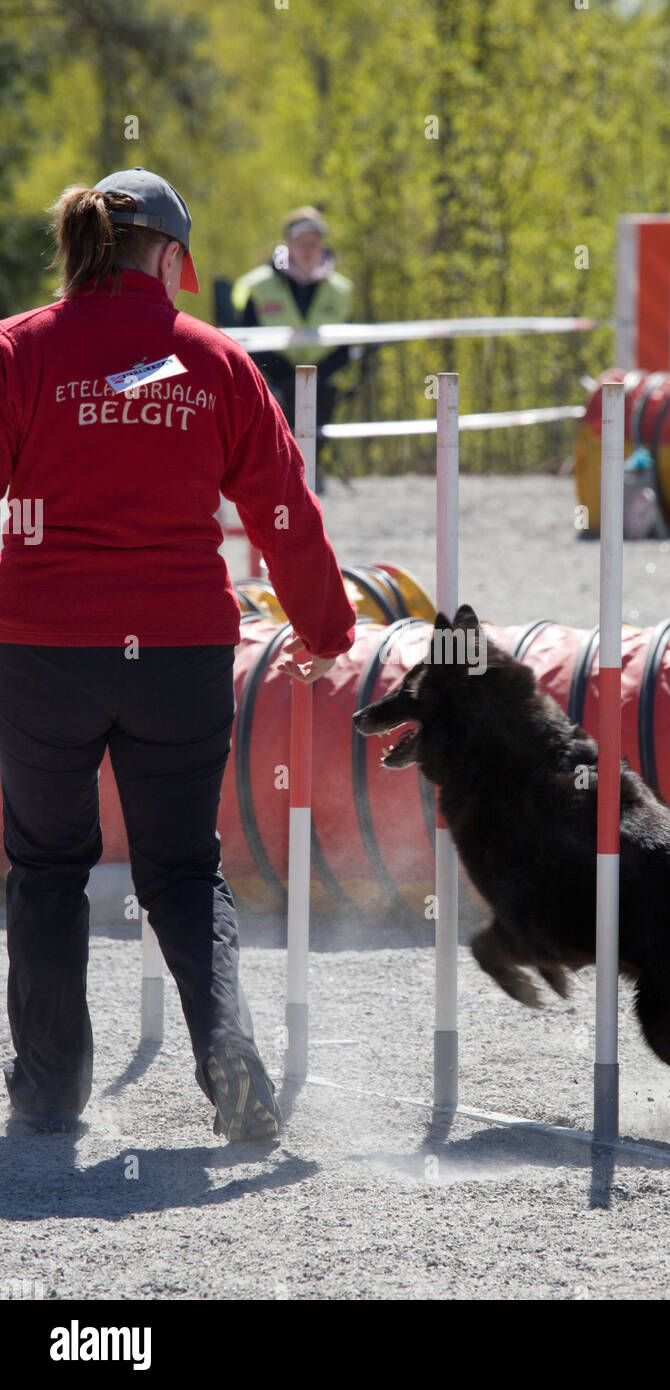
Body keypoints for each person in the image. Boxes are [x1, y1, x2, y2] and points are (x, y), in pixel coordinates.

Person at [0, 167, 355, 1141]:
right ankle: (234, 1072)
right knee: (182, 871)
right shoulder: (213, 360)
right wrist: (326, 630)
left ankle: (48, 1085)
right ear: (169, 256)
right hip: (184, 651)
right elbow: (283, 507)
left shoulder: (18, 351)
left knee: (43, 865)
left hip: (42, 651)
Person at [231, 207, 355, 470]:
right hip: (273, 379)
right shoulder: (258, 285)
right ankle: (280, 469)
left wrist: (315, 376)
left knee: (324, 395)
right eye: (301, 242)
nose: (308, 249)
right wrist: (285, 376)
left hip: (321, 381)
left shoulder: (341, 290)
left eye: (314, 242)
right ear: (288, 244)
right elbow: (248, 341)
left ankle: (310, 469)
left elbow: (346, 346)